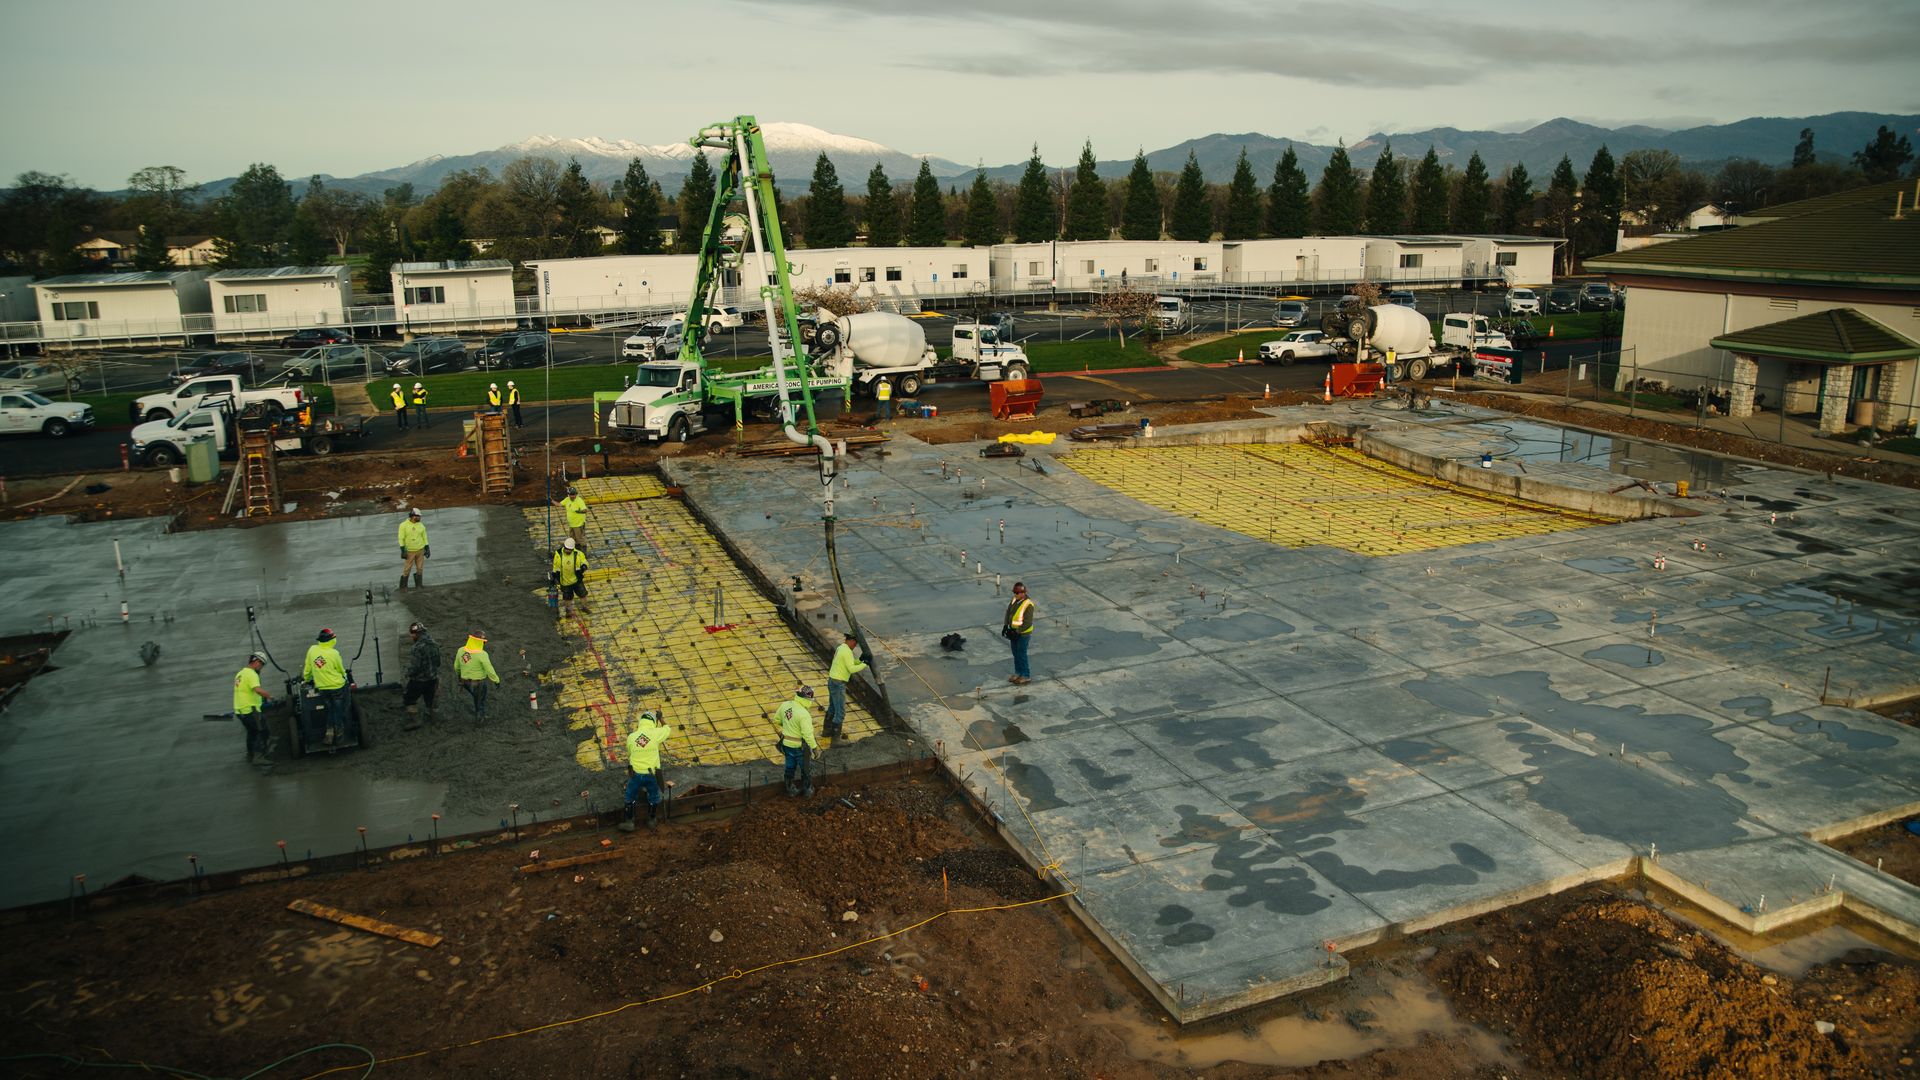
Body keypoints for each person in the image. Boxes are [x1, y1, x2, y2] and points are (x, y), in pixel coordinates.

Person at [619, 709, 672, 831]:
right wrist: (660, 718)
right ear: (652, 722)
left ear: (641, 722)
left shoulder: (631, 737)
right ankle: (652, 820)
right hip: (651, 774)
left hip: (635, 774)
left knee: (630, 795)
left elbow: (630, 752)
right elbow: (667, 729)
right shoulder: (656, 733)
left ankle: (629, 822)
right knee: (654, 795)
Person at [302, 628, 349, 745]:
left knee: (329, 709)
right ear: (331, 640)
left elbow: (307, 670)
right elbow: (340, 669)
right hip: (337, 686)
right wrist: (345, 678)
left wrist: (307, 680)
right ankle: (339, 732)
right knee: (338, 709)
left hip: (323, 688)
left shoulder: (312, 650)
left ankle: (329, 732)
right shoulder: (334, 654)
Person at [822, 630, 868, 749]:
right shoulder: (847, 651)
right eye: (855, 643)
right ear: (851, 641)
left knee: (832, 707)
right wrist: (865, 664)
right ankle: (836, 740)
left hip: (832, 680)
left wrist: (861, 660)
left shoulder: (841, 648)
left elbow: (850, 663)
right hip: (838, 683)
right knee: (840, 712)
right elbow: (852, 669)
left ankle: (826, 731)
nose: (855, 646)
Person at [773, 686, 819, 797]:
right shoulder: (804, 714)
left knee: (790, 766)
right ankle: (807, 790)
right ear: (805, 700)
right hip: (799, 746)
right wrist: (814, 748)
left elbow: (777, 720)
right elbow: (807, 735)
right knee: (805, 768)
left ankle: (790, 789)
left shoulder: (785, 705)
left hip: (786, 744)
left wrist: (789, 726)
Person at [233, 652, 275, 765]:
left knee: (251, 732)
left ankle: (250, 753)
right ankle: (258, 756)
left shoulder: (240, 674)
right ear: (256, 662)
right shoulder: (252, 674)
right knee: (260, 731)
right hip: (251, 710)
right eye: (261, 665)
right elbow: (257, 689)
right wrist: (269, 696)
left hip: (240, 710)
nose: (261, 668)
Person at [401, 621, 440, 730]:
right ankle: (433, 718)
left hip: (419, 680)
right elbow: (438, 662)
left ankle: (416, 721)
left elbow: (416, 667)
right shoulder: (434, 644)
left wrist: (409, 673)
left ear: (415, 634)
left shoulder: (417, 647)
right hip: (432, 678)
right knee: (431, 699)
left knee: (409, 699)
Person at [456, 630, 499, 721]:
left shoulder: (460, 650)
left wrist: (459, 677)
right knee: (480, 700)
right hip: (477, 684)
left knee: (476, 697)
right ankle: (479, 719)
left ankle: (480, 712)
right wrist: (496, 680)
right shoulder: (482, 654)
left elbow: (456, 667)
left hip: (465, 683)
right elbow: (489, 669)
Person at [1002, 581, 1035, 685]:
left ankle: (1025, 675)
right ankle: (1018, 673)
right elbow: (1008, 612)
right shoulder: (1014, 600)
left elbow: (1027, 622)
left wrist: (1018, 631)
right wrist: (1005, 625)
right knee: (1015, 653)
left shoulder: (1028, 605)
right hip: (1014, 632)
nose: (1015, 595)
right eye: (1014, 593)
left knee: (1021, 654)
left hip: (1023, 634)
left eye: (1017, 593)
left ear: (1023, 593)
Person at [551, 537, 589, 617]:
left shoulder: (578, 554)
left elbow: (584, 561)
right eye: (567, 549)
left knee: (583, 594)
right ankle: (568, 611)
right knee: (567, 598)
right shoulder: (558, 554)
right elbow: (555, 566)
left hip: (576, 579)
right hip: (564, 581)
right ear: (564, 547)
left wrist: (584, 566)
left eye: (570, 550)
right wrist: (554, 575)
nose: (568, 551)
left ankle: (584, 607)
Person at [398, 507, 429, 589]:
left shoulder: (421, 525)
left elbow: (424, 537)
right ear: (412, 516)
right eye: (418, 516)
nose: (419, 518)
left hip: (420, 550)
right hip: (409, 551)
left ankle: (419, 585)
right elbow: (401, 538)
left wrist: (427, 548)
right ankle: (403, 586)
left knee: (420, 568)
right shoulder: (403, 525)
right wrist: (402, 550)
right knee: (407, 569)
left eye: (419, 516)